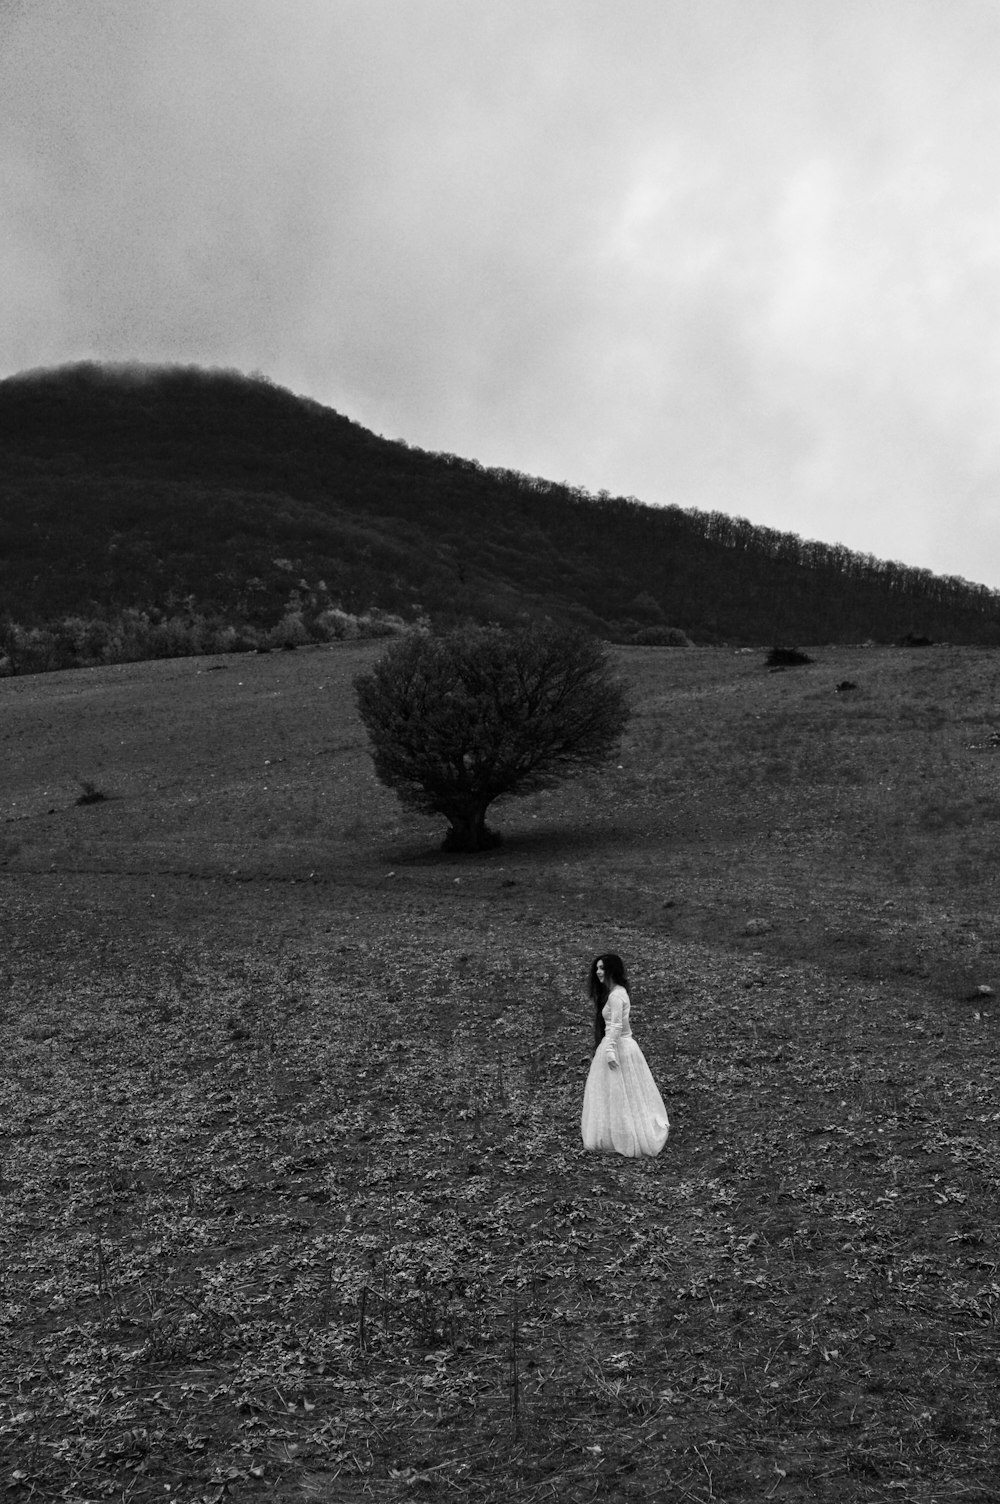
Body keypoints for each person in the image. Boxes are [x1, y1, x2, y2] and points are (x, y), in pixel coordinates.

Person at [581, 953, 669, 1158]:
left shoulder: (616, 995)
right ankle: (618, 1133)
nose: (598, 972)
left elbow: (617, 1025)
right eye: (597, 968)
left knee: (624, 1091)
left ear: (612, 970)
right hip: (616, 1044)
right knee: (615, 1092)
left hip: (620, 1046)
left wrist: (610, 1050)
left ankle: (629, 1135)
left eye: (602, 968)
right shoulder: (615, 993)